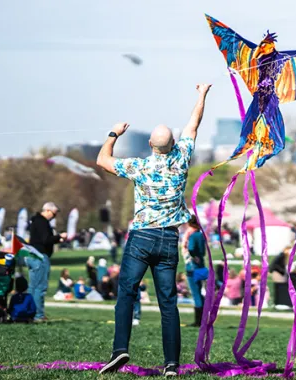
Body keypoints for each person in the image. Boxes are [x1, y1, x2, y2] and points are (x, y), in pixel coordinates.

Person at [96, 83, 212, 375]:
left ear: (151, 145)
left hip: (142, 237)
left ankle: (120, 349)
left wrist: (113, 134)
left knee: (126, 292)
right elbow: (194, 124)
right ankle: (171, 364)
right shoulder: (182, 158)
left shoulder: (141, 167)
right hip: (169, 240)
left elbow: (102, 161)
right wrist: (201, 94)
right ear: (172, 144)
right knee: (168, 303)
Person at [28, 202, 67, 322]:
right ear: (48, 211)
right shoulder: (42, 222)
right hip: (40, 256)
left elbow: (42, 240)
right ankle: (38, 315)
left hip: (32, 255)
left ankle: (29, 312)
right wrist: (59, 236)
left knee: (33, 287)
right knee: (40, 286)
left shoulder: (35, 221)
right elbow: (46, 240)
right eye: (54, 214)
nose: (54, 217)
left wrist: (56, 240)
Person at [185, 215, 207, 327]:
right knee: (200, 291)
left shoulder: (193, 236)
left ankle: (198, 321)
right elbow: (203, 252)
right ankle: (203, 318)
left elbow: (191, 248)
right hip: (201, 266)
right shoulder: (201, 235)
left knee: (195, 293)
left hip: (192, 267)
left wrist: (193, 256)